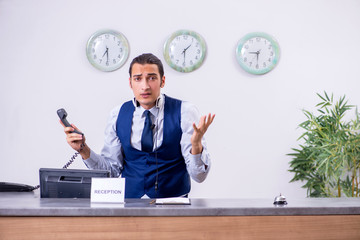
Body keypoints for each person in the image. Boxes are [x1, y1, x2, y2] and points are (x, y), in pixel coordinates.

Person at [61, 53, 215, 198]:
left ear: (163, 81)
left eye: (152, 78)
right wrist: (83, 149)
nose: (145, 86)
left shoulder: (185, 111)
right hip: (129, 205)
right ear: (130, 83)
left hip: (173, 205)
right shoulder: (117, 114)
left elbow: (199, 176)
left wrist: (196, 146)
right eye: (138, 79)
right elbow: (111, 172)